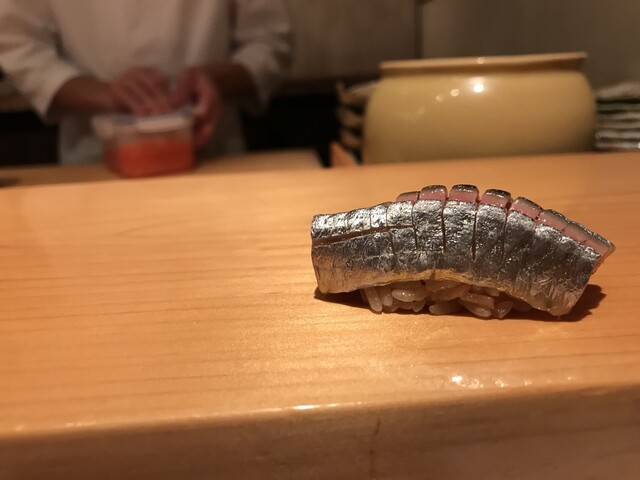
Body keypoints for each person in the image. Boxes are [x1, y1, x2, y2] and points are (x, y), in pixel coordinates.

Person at [0, 0, 292, 164]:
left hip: (213, 156)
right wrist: (102, 93)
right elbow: (15, 42)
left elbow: (270, 40)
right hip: (93, 161)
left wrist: (215, 80)